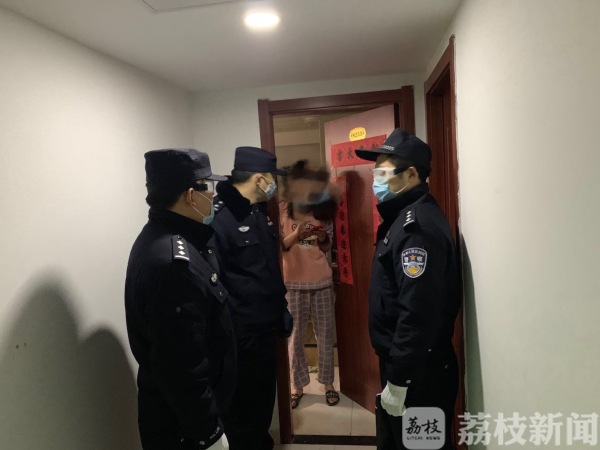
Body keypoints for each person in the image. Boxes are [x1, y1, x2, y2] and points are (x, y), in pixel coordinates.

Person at [354, 129, 460, 450]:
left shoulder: (417, 229)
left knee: (421, 446)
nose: (376, 181)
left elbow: (418, 312)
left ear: (412, 174)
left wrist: (401, 378)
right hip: (409, 365)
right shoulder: (403, 218)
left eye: (383, 174)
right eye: (375, 173)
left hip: (418, 374)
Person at [125, 148, 235, 450]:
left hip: (182, 415)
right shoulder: (174, 263)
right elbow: (182, 366)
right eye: (208, 188)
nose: (213, 196)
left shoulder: (165, 237)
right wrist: (208, 431)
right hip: (184, 427)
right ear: (191, 196)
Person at [211, 146, 292, 450]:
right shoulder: (219, 218)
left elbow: (267, 270)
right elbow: (216, 284)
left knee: (261, 406)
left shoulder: (257, 213)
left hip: (265, 331)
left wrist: (281, 308)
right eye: (273, 178)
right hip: (241, 338)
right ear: (260, 179)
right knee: (242, 413)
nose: (275, 185)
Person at [279, 160, 339, 409]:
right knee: (294, 339)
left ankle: (328, 384)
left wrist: (322, 236)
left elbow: (327, 246)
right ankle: (297, 386)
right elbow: (280, 246)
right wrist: (297, 234)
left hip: (322, 281)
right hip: (292, 283)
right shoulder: (282, 209)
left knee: (325, 335)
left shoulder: (322, 208)